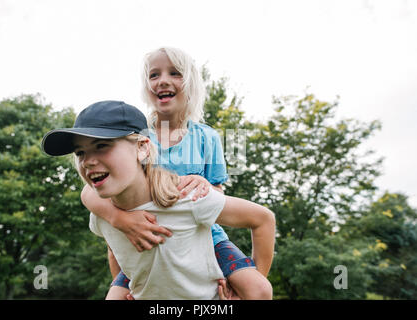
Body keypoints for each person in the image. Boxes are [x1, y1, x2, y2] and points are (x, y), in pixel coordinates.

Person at [81, 47, 274, 299]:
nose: (162, 80)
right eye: (153, 75)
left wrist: (203, 184)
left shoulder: (207, 137)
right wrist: (121, 220)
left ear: (191, 84)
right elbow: (89, 192)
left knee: (258, 289)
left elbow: (217, 193)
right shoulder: (134, 139)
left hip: (202, 238)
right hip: (143, 236)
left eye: (175, 73)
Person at [41, 100, 275, 300]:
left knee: (259, 290)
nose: (88, 161)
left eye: (102, 146)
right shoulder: (101, 216)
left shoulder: (187, 196)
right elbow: (116, 252)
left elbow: (263, 219)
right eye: (80, 153)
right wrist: (130, 285)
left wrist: (242, 286)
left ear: (142, 148)